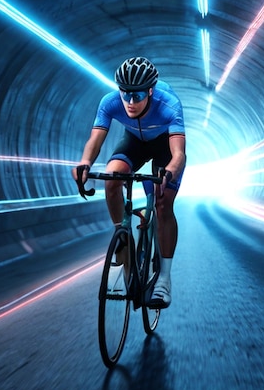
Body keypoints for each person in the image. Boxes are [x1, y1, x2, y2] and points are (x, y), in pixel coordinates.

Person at [72, 56, 186, 308]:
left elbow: (178, 154)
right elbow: (95, 139)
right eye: (125, 94)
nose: (130, 102)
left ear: (151, 90)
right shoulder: (110, 102)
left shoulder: (169, 104)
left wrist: (169, 172)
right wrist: (85, 163)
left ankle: (164, 279)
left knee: (163, 202)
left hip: (164, 146)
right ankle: (123, 238)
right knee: (112, 179)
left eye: (137, 95)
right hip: (134, 141)